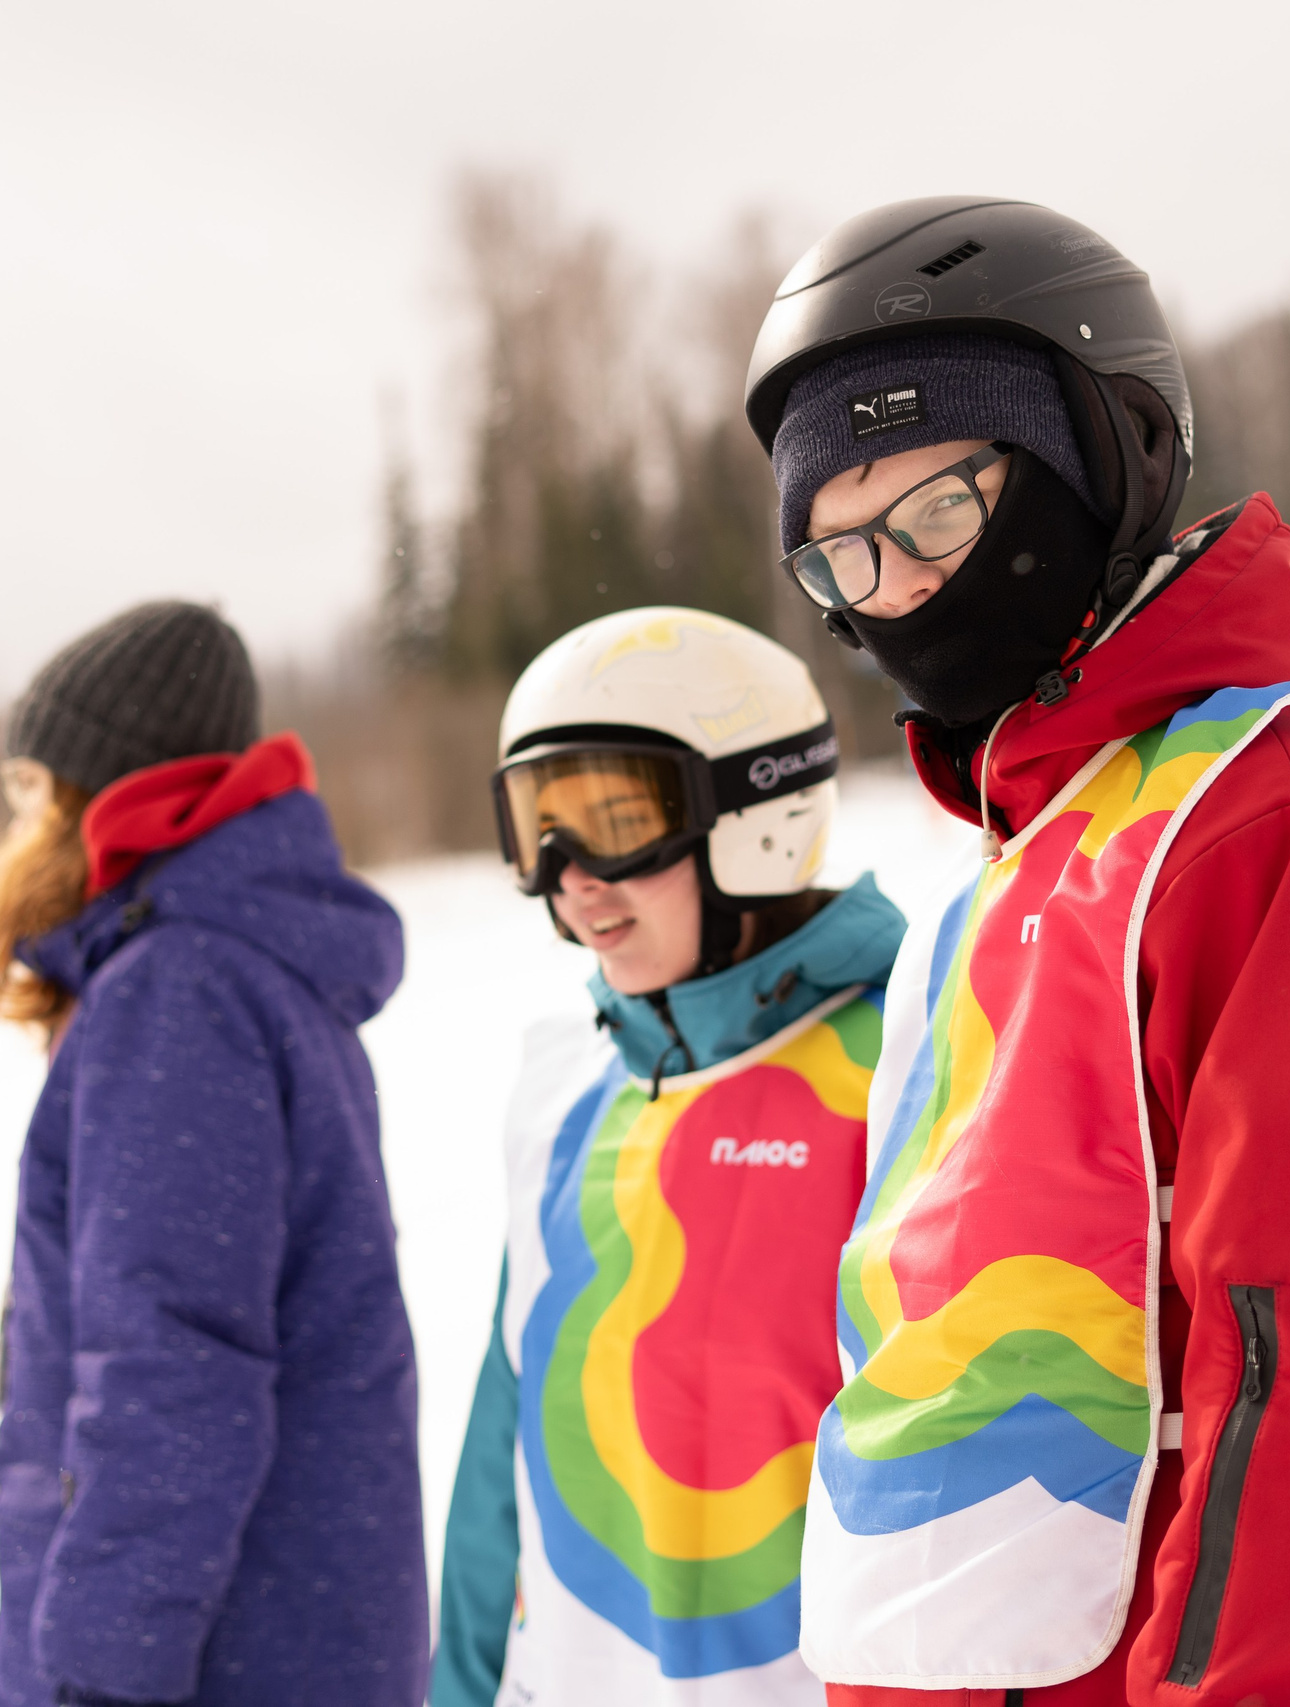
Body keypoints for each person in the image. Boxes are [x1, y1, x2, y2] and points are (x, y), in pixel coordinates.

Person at [735, 200, 1290, 1704]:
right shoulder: (1022, 858)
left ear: (1105, 451)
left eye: (941, 513)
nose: (903, 592)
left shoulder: (1287, 816)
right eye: (845, 558)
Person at [0, 600, 427, 1707]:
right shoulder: (229, 972)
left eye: (31, 791)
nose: (17, 827)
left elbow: (170, 1372)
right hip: (280, 1628)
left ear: (96, 796)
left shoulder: (180, 993)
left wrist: (94, 1682)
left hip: (223, 1654)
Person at [430, 607, 907, 1707]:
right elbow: (506, 1455)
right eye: (536, 828)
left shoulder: (910, 1060)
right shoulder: (563, 1092)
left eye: (614, 822)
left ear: (754, 814)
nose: (571, 877)